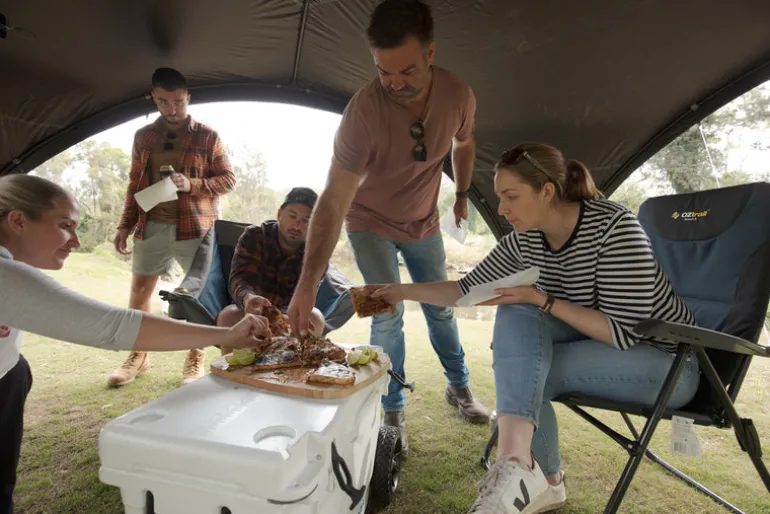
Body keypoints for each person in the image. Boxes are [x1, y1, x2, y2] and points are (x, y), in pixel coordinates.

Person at [368, 142, 702, 514]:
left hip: (668, 361)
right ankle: (522, 467)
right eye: (499, 197)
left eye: (511, 196)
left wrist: (541, 299)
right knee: (518, 319)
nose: (501, 208)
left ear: (546, 191)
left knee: (526, 370)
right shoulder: (525, 238)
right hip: (597, 344)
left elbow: (621, 332)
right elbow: (464, 290)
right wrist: (401, 291)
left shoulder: (613, 227)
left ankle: (534, 475)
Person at [287, 0, 489, 455]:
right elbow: (334, 197)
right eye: (384, 72)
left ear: (430, 53)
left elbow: (465, 142)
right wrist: (308, 282)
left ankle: (459, 386)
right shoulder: (362, 111)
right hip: (368, 222)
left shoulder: (458, 95)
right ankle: (392, 408)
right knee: (385, 314)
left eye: (407, 71)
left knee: (442, 308)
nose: (395, 83)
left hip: (424, 221)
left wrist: (461, 193)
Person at [0, 174, 269, 514]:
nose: (76, 241)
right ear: (18, 221)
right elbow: (112, 326)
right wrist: (226, 335)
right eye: (65, 226)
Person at [109, 67, 236, 387]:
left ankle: (195, 357)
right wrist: (125, 225)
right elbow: (134, 184)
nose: (172, 109)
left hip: (196, 228)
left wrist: (192, 184)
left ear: (188, 97)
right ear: (153, 98)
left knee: (197, 296)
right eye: (163, 102)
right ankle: (139, 355)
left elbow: (228, 180)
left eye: (178, 101)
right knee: (139, 293)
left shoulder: (207, 136)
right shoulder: (144, 137)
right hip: (152, 225)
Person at [216, 187, 326, 353]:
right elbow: (240, 278)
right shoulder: (255, 236)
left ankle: (299, 363)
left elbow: (308, 291)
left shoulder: (317, 252)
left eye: (306, 220)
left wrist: (285, 320)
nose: (297, 226)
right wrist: (248, 298)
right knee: (227, 316)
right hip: (252, 308)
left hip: (290, 313)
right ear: (280, 214)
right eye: (292, 216)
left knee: (316, 319)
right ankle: (232, 366)